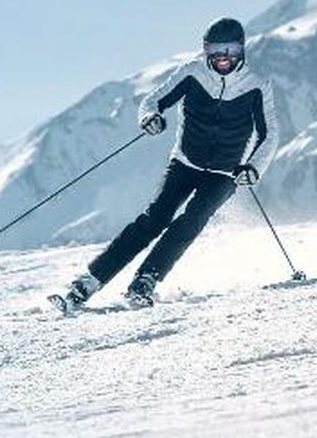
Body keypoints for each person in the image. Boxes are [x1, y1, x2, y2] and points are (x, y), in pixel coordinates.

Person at [52, 17, 276, 312]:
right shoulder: (193, 73)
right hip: (185, 162)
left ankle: (145, 281)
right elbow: (153, 101)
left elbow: (268, 132)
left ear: (242, 50)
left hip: (224, 173)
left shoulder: (257, 87)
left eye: (231, 49)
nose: (223, 57)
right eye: (216, 50)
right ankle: (89, 281)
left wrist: (253, 167)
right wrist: (150, 118)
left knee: (192, 221)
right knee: (155, 218)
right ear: (206, 50)